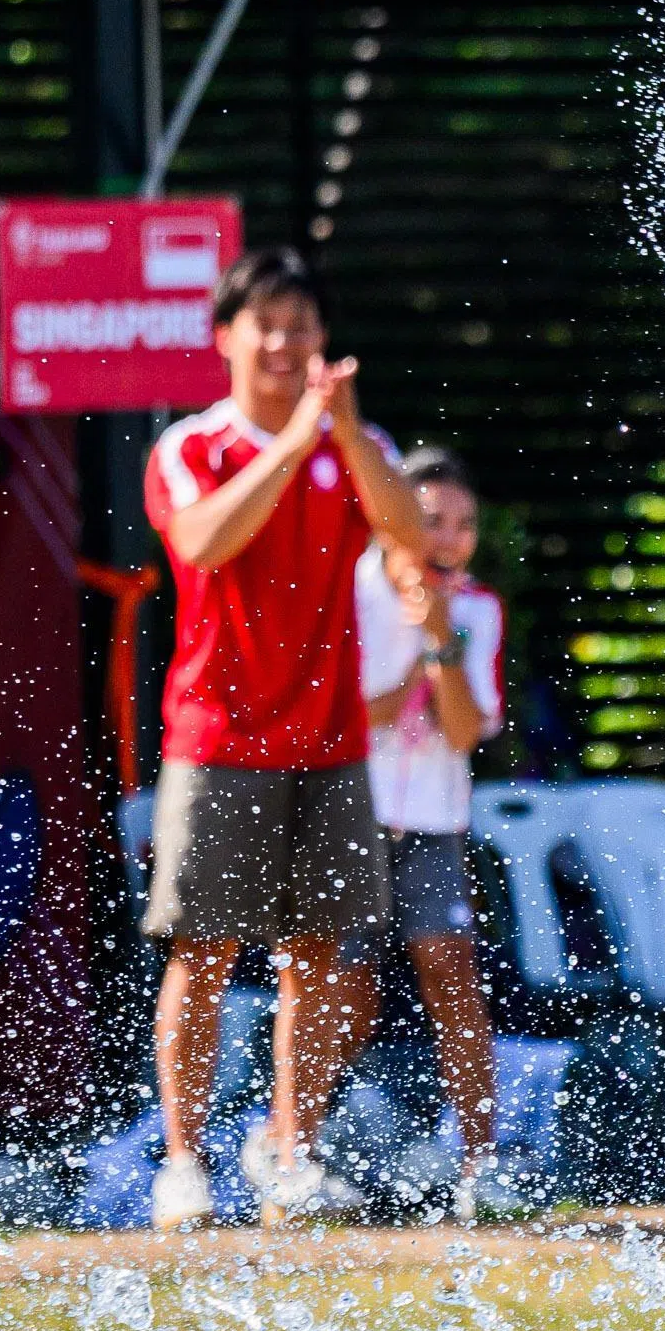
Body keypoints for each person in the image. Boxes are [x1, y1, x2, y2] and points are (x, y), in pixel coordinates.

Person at [141, 249, 428, 1231]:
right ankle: (183, 1163)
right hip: (216, 738)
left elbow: (407, 535)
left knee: (315, 957)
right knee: (204, 953)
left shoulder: (352, 440)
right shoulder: (191, 444)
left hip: (332, 738)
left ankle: (288, 1148)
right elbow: (202, 542)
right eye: (264, 324)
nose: (283, 341)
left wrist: (339, 437)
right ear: (224, 338)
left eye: (301, 325)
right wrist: (300, 436)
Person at [352, 446, 506, 1222]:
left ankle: (482, 1160)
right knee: (337, 982)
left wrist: (441, 636)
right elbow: (353, 717)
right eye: (431, 521)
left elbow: (463, 729)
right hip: (350, 812)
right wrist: (418, 651)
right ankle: (294, 1149)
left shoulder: (477, 609)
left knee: (451, 972)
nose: (448, 538)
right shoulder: (351, 591)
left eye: (464, 524)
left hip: (435, 819)